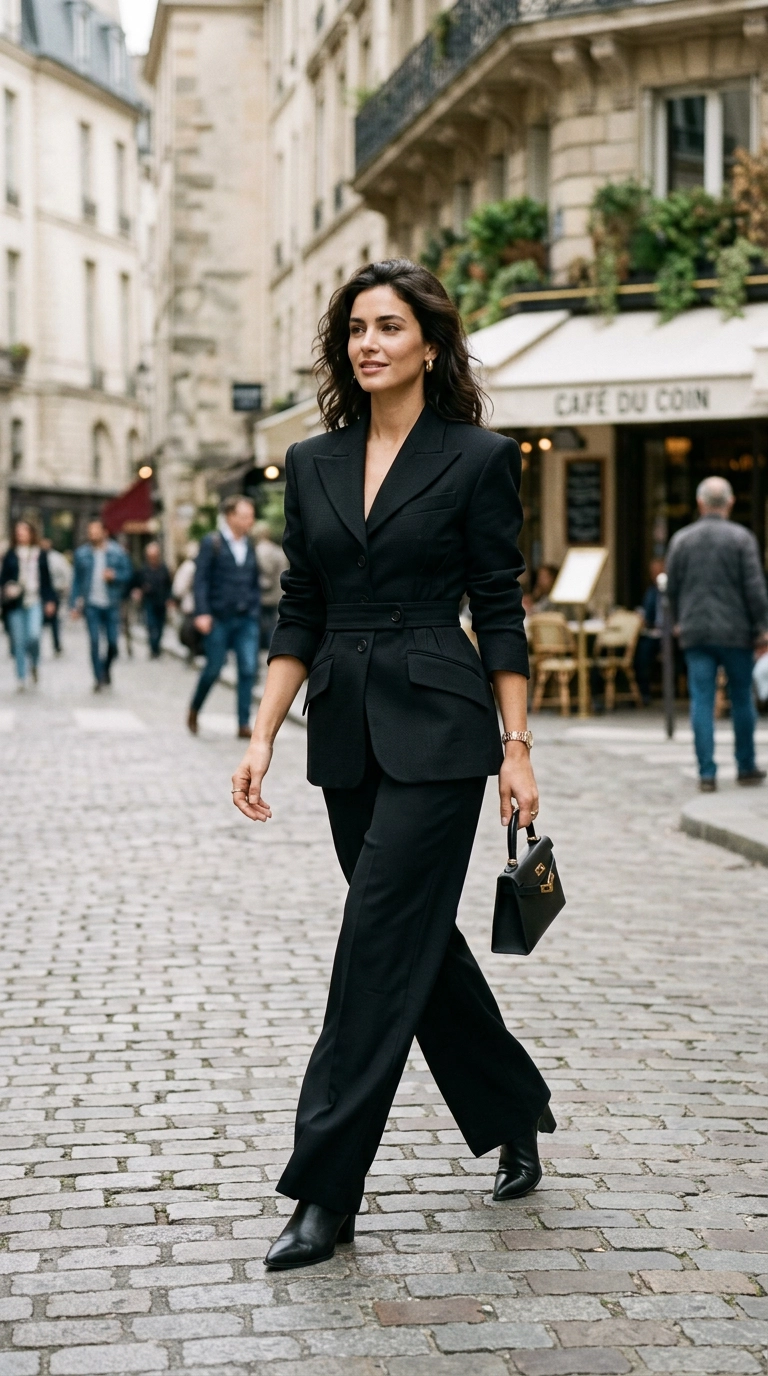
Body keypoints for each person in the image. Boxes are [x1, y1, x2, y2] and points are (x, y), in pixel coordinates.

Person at [231, 259, 553, 1272]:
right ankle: (513, 1106)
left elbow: (498, 608)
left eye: (389, 326)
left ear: (428, 343)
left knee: (373, 942)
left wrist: (517, 746)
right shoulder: (312, 462)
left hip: (443, 727)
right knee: (415, 940)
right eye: (357, 328)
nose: (369, 341)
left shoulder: (477, 456)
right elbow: (300, 608)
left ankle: (327, 1187)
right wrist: (262, 730)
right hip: (346, 733)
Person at [666, 475, 768, 791]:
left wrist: (679, 620)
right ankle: (745, 764)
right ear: (731, 502)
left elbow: (671, 587)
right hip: (736, 631)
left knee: (701, 700)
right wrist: (762, 626)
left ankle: (707, 773)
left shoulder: (682, 539)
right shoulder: (741, 539)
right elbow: (754, 588)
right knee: (741, 698)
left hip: (696, 631)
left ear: (700, 503)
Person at [188, 496, 260, 738]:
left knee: (248, 669)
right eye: (244, 516)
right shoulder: (213, 542)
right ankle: (195, 708)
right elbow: (200, 580)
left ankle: (243, 723)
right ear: (230, 517)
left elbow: (253, 581)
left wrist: (254, 608)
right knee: (214, 668)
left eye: (251, 516)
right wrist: (202, 612)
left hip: (245, 618)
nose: (250, 521)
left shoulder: (250, 544)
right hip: (218, 617)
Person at [70, 518, 133, 691]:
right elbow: (76, 581)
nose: (93, 535)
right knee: (95, 641)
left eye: (96, 531)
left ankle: (105, 669)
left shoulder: (117, 552)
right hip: (91, 605)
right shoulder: (82, 554)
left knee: (113, 643)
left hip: (112, 603)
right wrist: (73, 605)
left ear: (105, 532)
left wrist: (115, 576)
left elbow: (128, 575)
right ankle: (98, 678)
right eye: (90, 532)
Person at [1, 520, 56, 689]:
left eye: (24, 531)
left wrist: (50, 600)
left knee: (34, 636)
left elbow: (47, 580)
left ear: (31, 533)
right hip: (15, 604)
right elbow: (3, 579)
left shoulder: (41, 553)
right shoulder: (10, 554)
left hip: (35, 601)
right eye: (18, 531)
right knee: (18, 641)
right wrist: (8, 588)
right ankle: (21, 676)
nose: (21, 534)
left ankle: (34, 663)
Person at [635, 557, 665, 706]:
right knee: (642, 652)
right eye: (652, 572)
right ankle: (644, 693)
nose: (655, 575)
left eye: (658, 571)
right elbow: (646, 614)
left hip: (671, 634)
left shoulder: (674, 590)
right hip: (654, 633)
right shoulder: (651, 592)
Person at [254, 520, 289, 649]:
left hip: (265, 596)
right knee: (274, 625)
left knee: (263, 626)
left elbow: (266, 575)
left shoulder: (259, 550)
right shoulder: (278, 550)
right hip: (279, 593)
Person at [134, 541, 172, 658]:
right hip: (149, 600)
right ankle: (153, 648)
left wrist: (169, 598)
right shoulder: (143, 569)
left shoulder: (163, 569)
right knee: (151, 625)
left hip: (161, 601)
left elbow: (168, 585)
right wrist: (138, 591)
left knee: (160, 626)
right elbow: (137, 584)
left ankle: (156, 647)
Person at [40, 538, 72, 655]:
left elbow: (66, 573)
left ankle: (56, 644)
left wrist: (65, 586)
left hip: (55, 591)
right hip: (40, 593)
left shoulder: (57, 558)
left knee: (54, 620)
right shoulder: (37, 556)